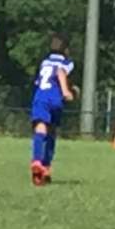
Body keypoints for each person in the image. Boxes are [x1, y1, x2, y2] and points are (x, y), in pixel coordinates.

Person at [29, 34, 74, 186]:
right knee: (52, 131)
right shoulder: (66, 62)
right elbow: (60, 72)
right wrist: (66, 90)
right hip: (55, 98)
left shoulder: (44, 61)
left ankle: (36, 160)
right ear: (66, 50)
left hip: (40, 96)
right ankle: (46, 166)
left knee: (40, 128)